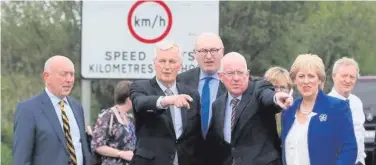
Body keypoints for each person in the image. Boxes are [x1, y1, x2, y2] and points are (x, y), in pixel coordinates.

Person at [206, 52, 293, 165]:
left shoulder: (258, 89)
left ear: (247, 74)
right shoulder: (218, 105)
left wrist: (276, 98)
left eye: (240, 73)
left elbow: (267, 96)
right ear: (221, 77)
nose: (236, 78)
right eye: (231, 73)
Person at [129, 40, 203, 165]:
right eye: (162, 61)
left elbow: (194, 135)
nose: (167, 66)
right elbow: (140, 104)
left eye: (172, 61)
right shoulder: (140, 87)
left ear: (180, 65)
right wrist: (168, 100)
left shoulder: (191, 94)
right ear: (154, 64)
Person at [13, 55, 92, 165]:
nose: (69, 80)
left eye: (72, 74)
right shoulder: (28, 110)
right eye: (63, 74)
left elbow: (82, 149)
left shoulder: (77, 107)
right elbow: (21, 158)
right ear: (46, 76)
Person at [281, 54, 357, 165]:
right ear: (294, 80)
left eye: (311, 76)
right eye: (301, 76)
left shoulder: (337, 107)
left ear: (320, 80)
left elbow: (349, 150)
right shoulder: (288, 111)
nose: (306, 81)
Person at [177, 32, 226, 137]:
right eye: (203, 51)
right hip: (189, 150)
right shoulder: (180, 81)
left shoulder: (233, 82)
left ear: (222, 52)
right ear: (195, 54)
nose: (208, 56)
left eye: (213, 50)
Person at [328, 57, 366, 165]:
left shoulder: (357, 102)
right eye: (344, 76)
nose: (348, 80)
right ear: (334, 76)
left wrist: (361, 160)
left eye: (352, 77)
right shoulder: (325, 105)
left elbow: (360, 134)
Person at [90, 80, 136, 165]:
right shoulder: (107, 116)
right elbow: (97, 145)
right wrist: (120, 154)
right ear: (128, 98)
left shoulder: (130, 118)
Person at [263, 66, 294, 155]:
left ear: (290, 90)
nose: (279, 91)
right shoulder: (260, 111)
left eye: (283, 87)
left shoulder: (295, 112)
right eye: (275, 87)